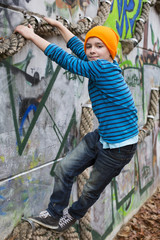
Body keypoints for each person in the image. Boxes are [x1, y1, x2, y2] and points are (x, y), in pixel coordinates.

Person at [15, 17, 139, 232]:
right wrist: (61, 27)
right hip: (103, 135)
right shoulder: (102, 62)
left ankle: (73, 215)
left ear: (110, 52)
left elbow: (66, 59)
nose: (91, 50)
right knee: (65, 168)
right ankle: (54, 213)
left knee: (91, 189)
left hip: (120, 147)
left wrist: (32, 35)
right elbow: (77, 48)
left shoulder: (102, 69)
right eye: (89, 45)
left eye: (99, 46)